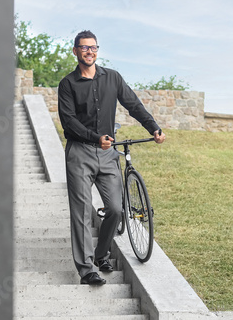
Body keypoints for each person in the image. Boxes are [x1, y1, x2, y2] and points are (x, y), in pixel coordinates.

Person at [58, 30, 166, 285]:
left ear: (98, 50)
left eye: (93, 47)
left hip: (107, 154)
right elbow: (69, 122)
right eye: (84, 48)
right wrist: (95, 138)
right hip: (80, 152)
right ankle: (87, 271)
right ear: (75, 51)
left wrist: (153, 127)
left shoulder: (113, 78)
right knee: (82, 212)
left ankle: (101, 253)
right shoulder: (68, 84)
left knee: (116, 209)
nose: (89, 51)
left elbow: (134, 104)